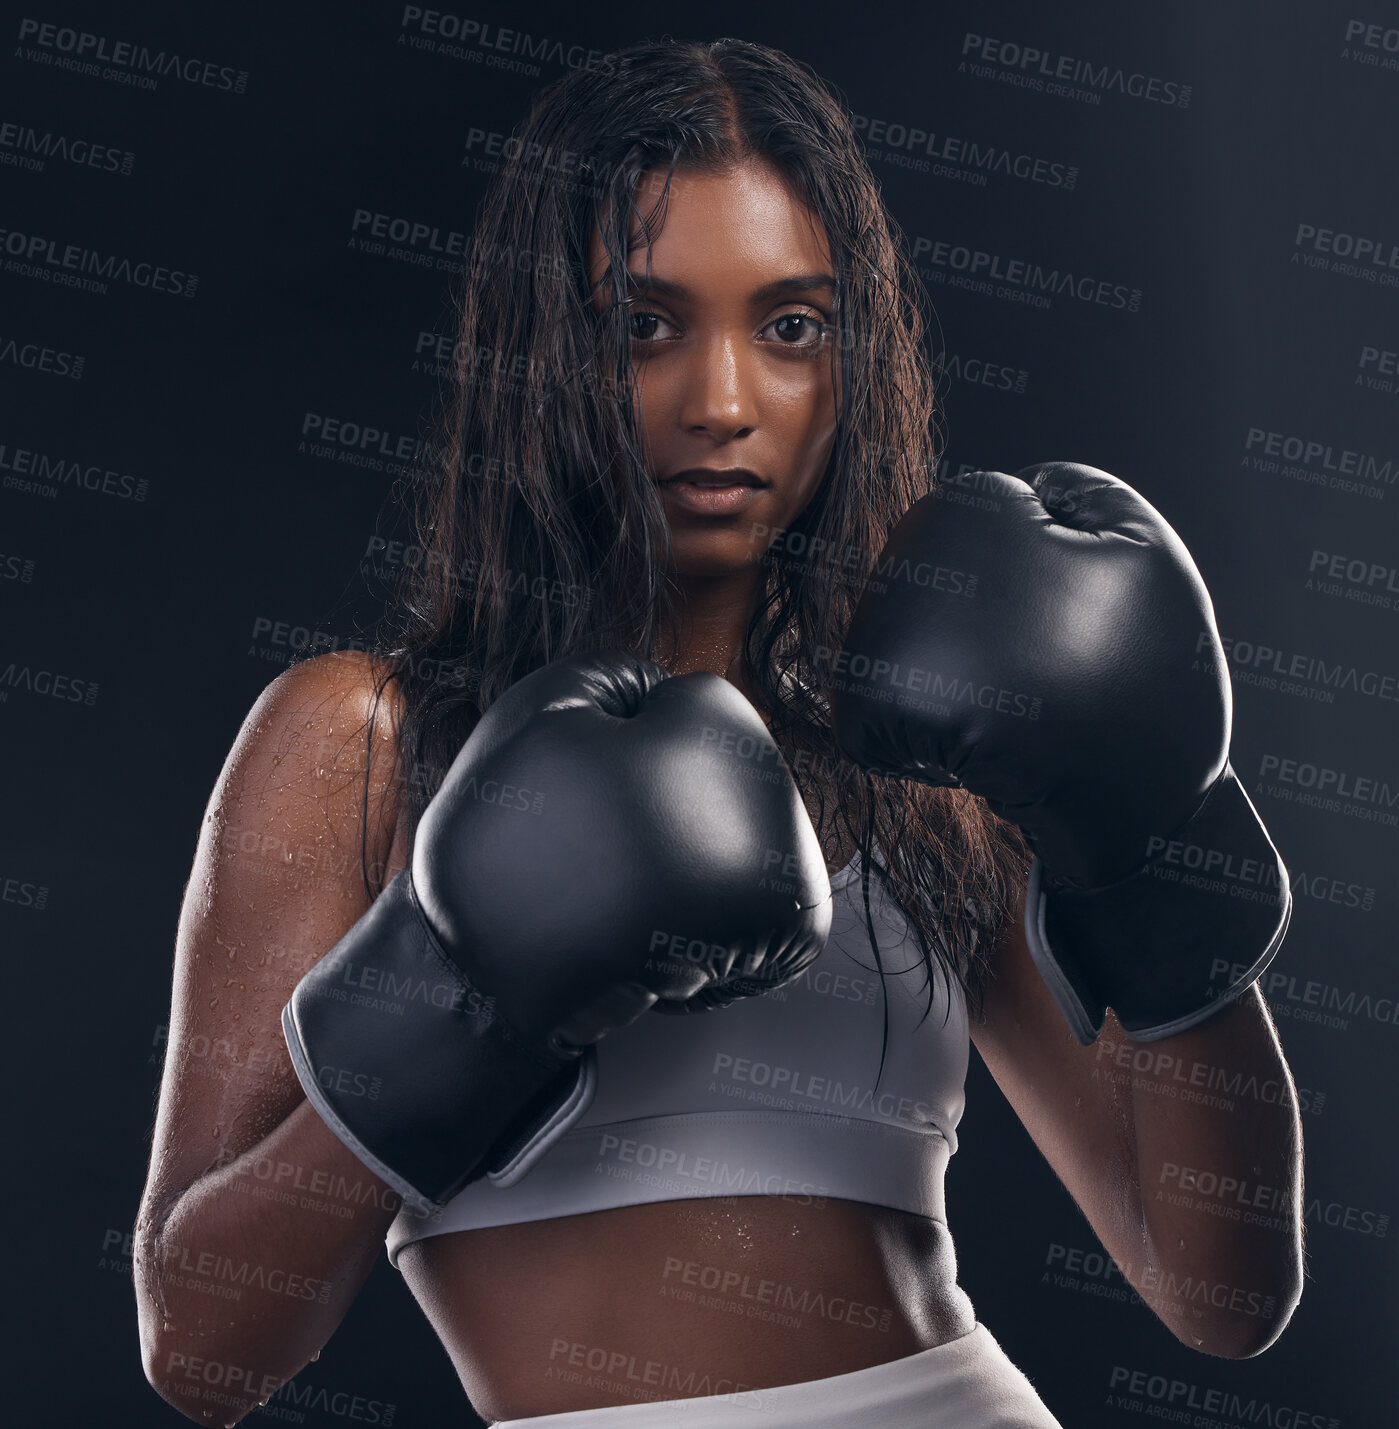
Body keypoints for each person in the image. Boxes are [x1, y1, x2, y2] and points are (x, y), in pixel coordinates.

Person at [134, 36, 1304, 1429]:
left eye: (792, 324)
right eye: (647, 323)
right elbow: (200, 1341)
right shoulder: (366, 740)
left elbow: (1223, 1290)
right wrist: (466, 992)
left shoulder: (924, 751)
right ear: (547, 346)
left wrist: (1152, 834)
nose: (726, 401)